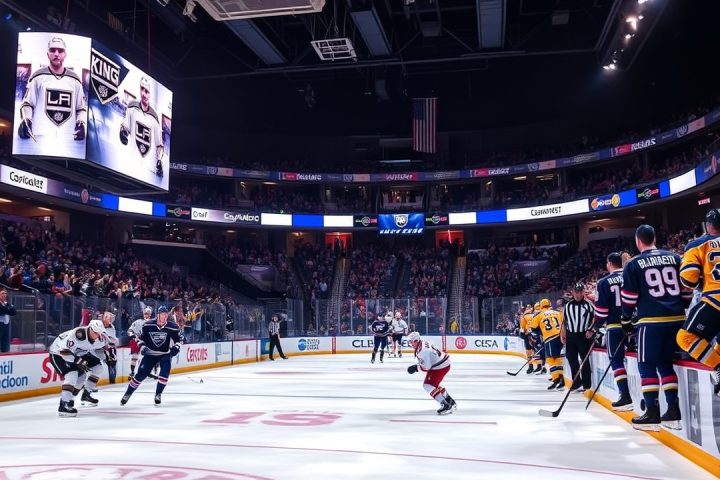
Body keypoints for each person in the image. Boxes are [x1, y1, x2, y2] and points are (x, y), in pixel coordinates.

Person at [621, 224, 691, 431]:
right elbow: (687, 289)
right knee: (666, 364)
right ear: (654, 238)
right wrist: (680, 304)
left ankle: (652, 411)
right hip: (677, 319)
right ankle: (673, 411)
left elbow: (629, 298)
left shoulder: (634, 264)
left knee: (646, 365)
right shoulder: (675, 258)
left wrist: (626, 319)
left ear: (638, 241)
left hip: (651, 322)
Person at [678, 209, 720, 397]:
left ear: (708, 226)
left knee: (685, 337)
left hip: (715, 300)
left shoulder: (697, 245)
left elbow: (688, 279)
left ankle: (718, 367)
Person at [17, 37, 86, 148]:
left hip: (68, 140)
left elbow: (81, 108)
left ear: (65, 54)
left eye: (60, 51)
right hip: (39, 138)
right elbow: (27, 103)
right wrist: (26, 119)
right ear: (48, 54)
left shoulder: (75, 80)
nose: (56, 54)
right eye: (52, 50)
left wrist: (81, 122)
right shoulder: (37, 76)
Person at [591, 252, 633, 411]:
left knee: (616, 361)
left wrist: (595, 327)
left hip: (614, 326)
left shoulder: (603, 282)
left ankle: (625, 395)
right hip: (634, 325)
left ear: (609, 263)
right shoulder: (631, 275)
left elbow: (601, 312)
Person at [121, 306, 182, 406]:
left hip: (165, 354)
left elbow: (179, 340)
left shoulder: (173, 327)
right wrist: (142, 346)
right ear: (158, 314)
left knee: (164, 375)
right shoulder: (147, 325)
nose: (164, 316)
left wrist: (176, 347)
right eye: (162, 314)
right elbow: (140, 339)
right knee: (140, 375)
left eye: (166, 315)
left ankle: (158, 394)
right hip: (150, 354)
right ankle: (127, 393)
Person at [48, 320, 107, 416]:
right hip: (57, 353)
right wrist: (79, 361)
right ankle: (63, 405)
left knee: (91, 371)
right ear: (89, 328)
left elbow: (104, 346)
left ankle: (77, 397)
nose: (97, 335)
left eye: (99, 333)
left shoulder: (101, 339)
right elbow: (64, 351)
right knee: (72, 374)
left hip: (78, 354)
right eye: (95, 332)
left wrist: (108, 356)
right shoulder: (78, 334)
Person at [119, 77, 164, 177]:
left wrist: (159, 160)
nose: (144, 94)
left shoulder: (155, 117)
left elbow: (159, 144)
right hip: (131, 164)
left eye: (147, 91)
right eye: (142, 89)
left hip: (148, 172)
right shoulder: (132, 106)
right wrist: (123, 131)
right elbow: (126, 126)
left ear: (150, 94)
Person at [406, 332, 457, 415]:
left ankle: (445, 405)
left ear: (416, 340)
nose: (410, 344)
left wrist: (415, 368)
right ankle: (450, 401)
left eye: (411, 341)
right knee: (434, 385)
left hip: (441, 366)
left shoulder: (422, 351)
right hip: (443, 363)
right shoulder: (423, 343)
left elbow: (426, 368)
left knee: (428, 385)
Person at [561, 282, 595, 392]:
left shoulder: (588, 305)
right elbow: (564, 321)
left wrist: (591, 329)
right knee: (571, 358)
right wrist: (562, 334)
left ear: (583, 292)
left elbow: (595, 318)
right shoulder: (567, 306)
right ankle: (576, 382)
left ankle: (586, 384)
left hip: (583, 336)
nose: (578, 294)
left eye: (580, 292)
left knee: (584, 360)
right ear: (572, 292)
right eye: (576, 292)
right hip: (571, 336)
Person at [528, 298, 564, 390]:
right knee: (557, 357)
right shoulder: (557, 312)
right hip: (560, 336)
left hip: (550, 338)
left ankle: (556, 379)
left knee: (551, 359)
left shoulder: (539, 315)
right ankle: (560, 379)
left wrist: (541, 332)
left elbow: (533, 328)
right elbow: (564, 322)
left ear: (541, 306)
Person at [127, 306, 152, 380]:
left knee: (149, 357)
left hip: (146, 342)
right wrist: (133, 335)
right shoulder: (137, 322)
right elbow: (129, 331)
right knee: (134, 357)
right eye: (145, 313)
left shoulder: (152, 323)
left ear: (150, 314)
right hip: (136, 341)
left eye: (148, 313)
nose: (146, 314)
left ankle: (147, 371)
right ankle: (132, 372)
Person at [519, 304, 535, 374]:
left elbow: (522, 328)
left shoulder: (524, 316)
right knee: (536, 350)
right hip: (535, 334)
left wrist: (522, 334)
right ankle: (540, 366)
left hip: (527, 335)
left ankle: (530, 366)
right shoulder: (535, 315)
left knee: (528, 351)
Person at [0, 288, 17, 353]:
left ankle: (5, 351)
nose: (4, 295)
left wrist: (7, 309)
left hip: (6, 324)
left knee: (5, 339)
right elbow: (2, 311)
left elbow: (14, 312)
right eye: (2, 293)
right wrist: (8, 309)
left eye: (5, 293)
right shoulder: (7, 305)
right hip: (0, 323)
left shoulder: (7, 303)